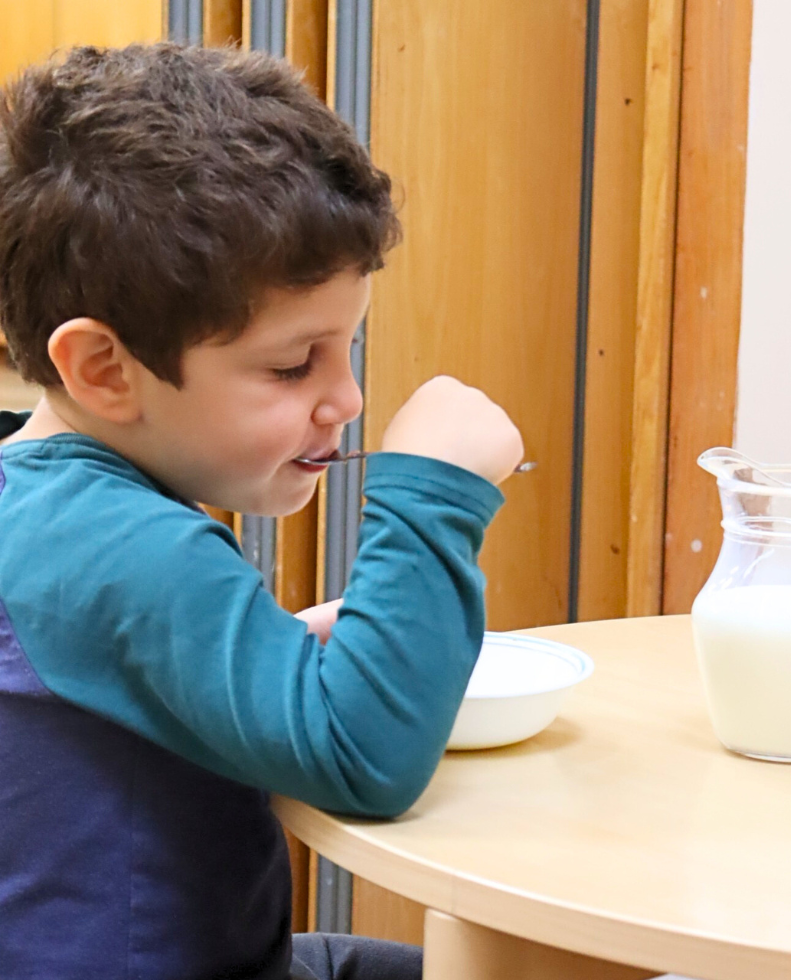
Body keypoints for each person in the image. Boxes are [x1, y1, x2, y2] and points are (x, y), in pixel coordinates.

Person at [0, 42, 523, 980]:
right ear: (106, 370)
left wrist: (261, 647)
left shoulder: (40, 498)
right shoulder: (125, 545)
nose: (348, 401)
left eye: (347, 348)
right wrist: (434, 491)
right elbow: (363, 762)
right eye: (293, 365)